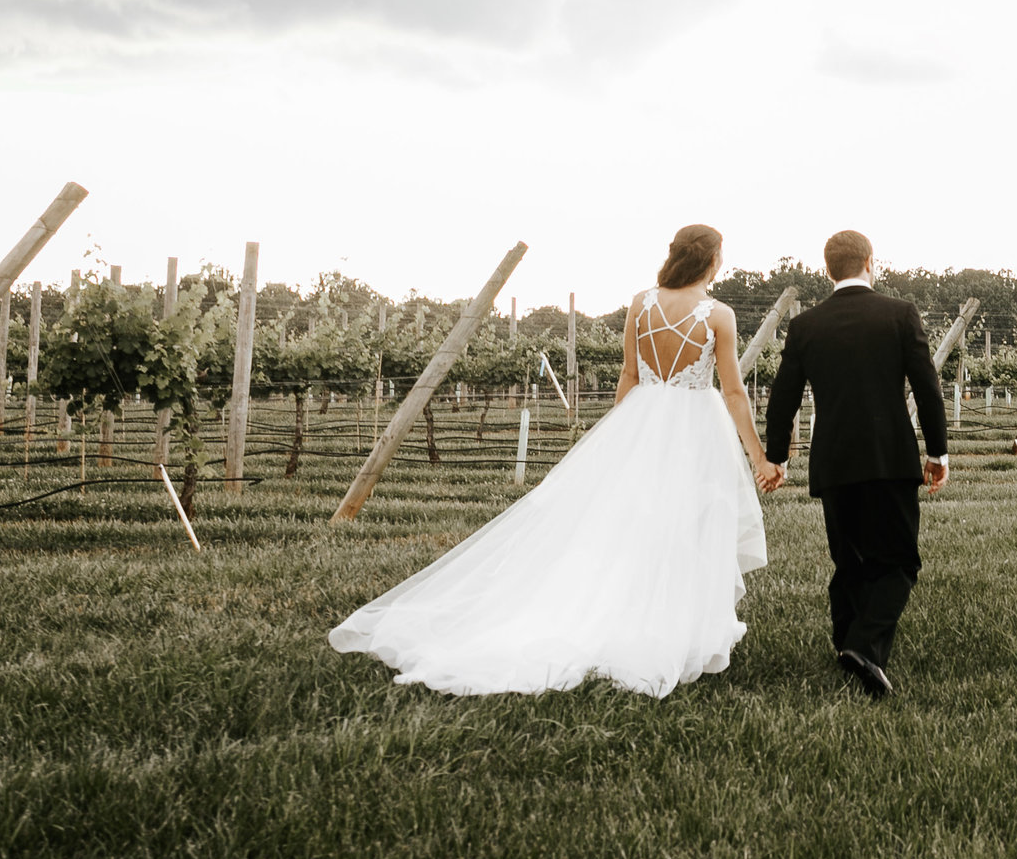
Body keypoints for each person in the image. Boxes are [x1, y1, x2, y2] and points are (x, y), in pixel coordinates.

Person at [328, 224, 784, 697]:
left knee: (630, 524)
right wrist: (758, 457)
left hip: (640, 418)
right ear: (713, 261)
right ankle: (670, 626)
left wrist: (621, 440)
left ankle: (633, 613)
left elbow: (628, 377)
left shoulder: (640, 304)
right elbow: (732, 391)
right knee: (686, 523)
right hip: (694, 428)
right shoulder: (719, 315)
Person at [765, 229, 947, 697]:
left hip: (835, 460)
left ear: (829, 269)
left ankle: (846, 645)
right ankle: (864, 647)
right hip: (890, 458)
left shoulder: (806, 326)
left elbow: (782, 398)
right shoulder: (900, 314)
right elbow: (927, 387)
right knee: (900, 561)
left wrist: (777, 457)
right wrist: (937, 452)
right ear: (870, 261)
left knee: (848, 561)